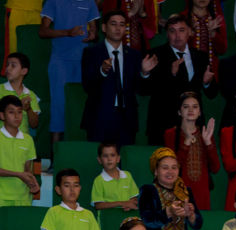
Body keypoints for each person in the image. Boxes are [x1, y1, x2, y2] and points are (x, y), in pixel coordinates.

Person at [141, 14, 217, 145]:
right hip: (163, 127)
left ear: (189, 32)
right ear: (167, 34)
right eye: (172, 31)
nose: (177, 36)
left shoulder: (200, 57)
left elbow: (212, 94)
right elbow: (145, 90)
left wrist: (207, 83)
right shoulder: (155, 55)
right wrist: (146, 72)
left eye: (181, 30)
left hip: (194, 126)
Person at [80, 10, 148, 146]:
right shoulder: (91, 52)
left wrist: (144, 73)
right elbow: (88, 85)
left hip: (127, 118)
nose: (118, 28)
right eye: (113, 24)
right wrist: (102, 71)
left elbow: (141, 90)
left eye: (122, 25)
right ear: (104, 28)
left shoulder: (134, 55)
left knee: (124, 162)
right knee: (99, 162)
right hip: (99, 117)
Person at [39, 0, 99, 151]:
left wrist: (92, 33)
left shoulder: (89, 2)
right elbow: (43, 31)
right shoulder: (53, 2)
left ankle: (78, 152)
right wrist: (67, 32)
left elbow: (94, 30)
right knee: (58, 106)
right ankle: (55, 158)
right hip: (60, 60)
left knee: (80, 106)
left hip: (83, 60)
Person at [139, 147, 202, 230]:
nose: (170, 171)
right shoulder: (148, 190)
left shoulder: (186, 191)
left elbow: (198, 223)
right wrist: (168, 212)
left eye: (174, 168)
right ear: (156, 171)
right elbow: (147, 220)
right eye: (165, 168)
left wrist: (191, 215)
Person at [0, 95, 39, 230]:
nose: (17, 116)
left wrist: (32, 183)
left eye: (20, 112)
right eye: (11, 112)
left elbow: (28, 170)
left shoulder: (28, 140)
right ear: (1, 115)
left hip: (22, 198)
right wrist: (18, 175)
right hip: (0, 197)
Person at [164, 91, 220, 210]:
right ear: (179, 111)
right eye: (186, 107)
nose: (191, 110)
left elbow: (215, 168)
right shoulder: (171, 134)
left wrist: (208, 142)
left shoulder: (205, 133)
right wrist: (186, 142)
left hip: (202, 192)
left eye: (195, 107)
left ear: (199, 112)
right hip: (180, 192)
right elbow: (172, 168)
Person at [0, 52, 40, 135]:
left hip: (22, 141)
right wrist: (18, 105)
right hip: (2, 139)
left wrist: (28, 109)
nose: (8, 69)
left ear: (24, 71)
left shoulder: (31, 95)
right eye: (7, 65)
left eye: (13, 65)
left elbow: (34, 125)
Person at [186, 0, 227, 81]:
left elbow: (222, 50)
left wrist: (213, 33)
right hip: (188, 74)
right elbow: (176, 49)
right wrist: (190, 34)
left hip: (211, 76)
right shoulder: (183, 18)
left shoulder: (216, 18)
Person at [90, 142, 138, 211]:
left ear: (118, 158)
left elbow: (134, 198)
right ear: (99, 160)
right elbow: (98, 205)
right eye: (105, 156)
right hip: (108, 217)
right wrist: (122, 203)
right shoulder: (98, 180)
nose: (109, 159)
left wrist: (129, 205)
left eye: (112, 155)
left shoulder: (127, 175)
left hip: (127, 215)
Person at [4, 0, 42, 65]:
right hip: (17, 8)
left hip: (37, 9)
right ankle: (12, 72)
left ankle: (33, 72)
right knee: (13, 47)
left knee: (35, 47)